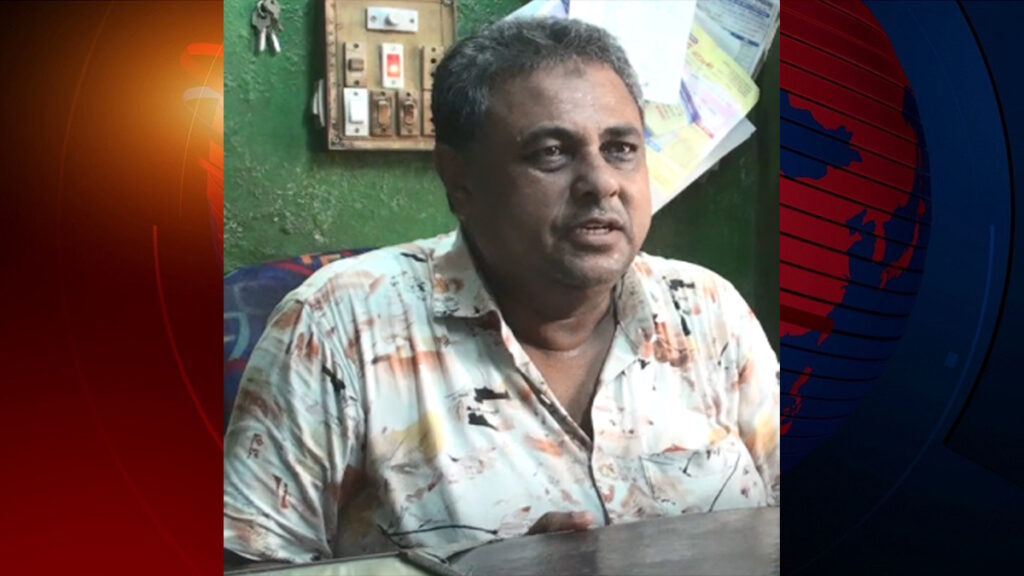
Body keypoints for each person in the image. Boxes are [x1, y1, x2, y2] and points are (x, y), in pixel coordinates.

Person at [223, 16, 779, 567]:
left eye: (620, 148)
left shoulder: (706, 310)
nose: (602, 183)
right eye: (551, 152)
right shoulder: (338, 325)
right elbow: (250, 565)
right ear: (459, 181)